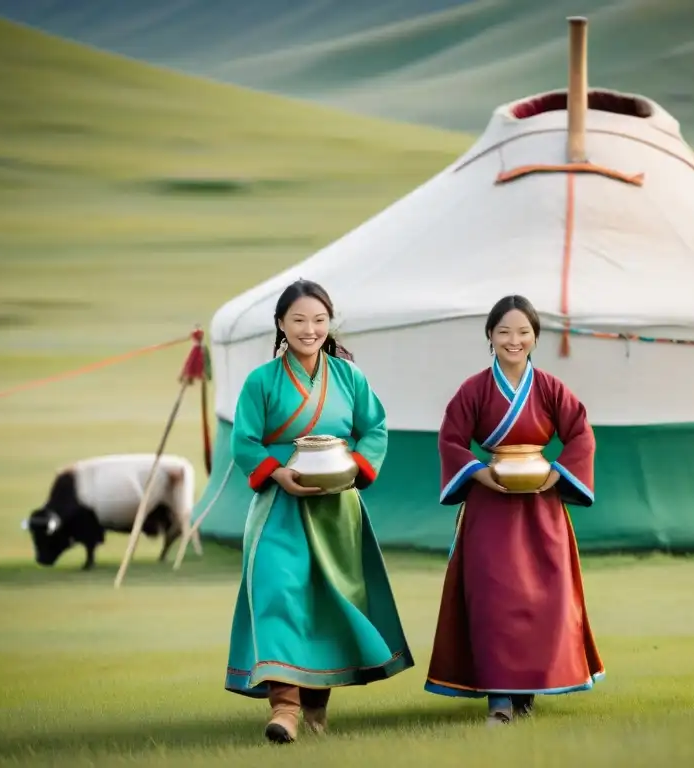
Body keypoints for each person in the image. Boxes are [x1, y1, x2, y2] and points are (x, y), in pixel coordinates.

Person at [224, 279, 414, 744]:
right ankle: (284, 708)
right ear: (280, 324)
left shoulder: (350, 378)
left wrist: (353, 470)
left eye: (319, 320)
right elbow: (243, 440)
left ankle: (316, 711)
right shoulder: (261, 382)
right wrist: (277, 472)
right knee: (278, 594)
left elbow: (375, 428)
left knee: (328, 604)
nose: (309, 330)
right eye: (299, 320)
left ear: (330, 324)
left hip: (337, 506)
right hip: (278, 506)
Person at [424, 294, 605, 726]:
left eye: (523, 332)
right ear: (489, 336)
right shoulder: (473, 390)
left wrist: (558, 474)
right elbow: (451, 438)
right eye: (504, 331)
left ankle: (528, 693)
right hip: (490, 506)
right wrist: (479, 473)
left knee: (543, 599)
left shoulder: (550, 388)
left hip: (541, 505)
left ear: (535, 337)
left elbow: (580, 433)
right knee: (492, 600)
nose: (514, 340)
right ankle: (499, 701)